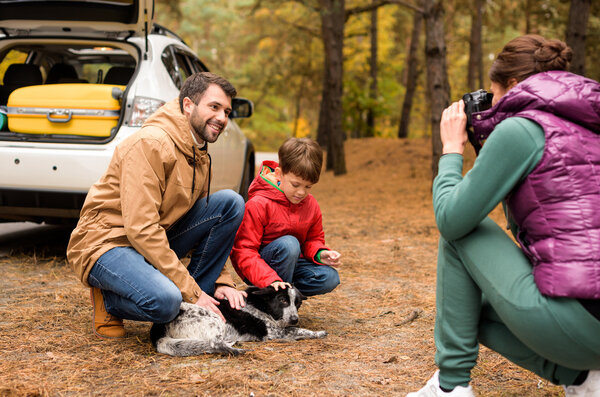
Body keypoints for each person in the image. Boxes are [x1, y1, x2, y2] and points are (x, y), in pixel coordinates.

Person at [408, 35, 600, 397]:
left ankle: (450, 387)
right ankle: (584, 380)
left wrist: (451, 150)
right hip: (590, 320)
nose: (492, 104)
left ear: (512, 86)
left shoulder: (522, 130)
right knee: (465, 310)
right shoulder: (586, 128)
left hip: (583, 321)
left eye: (494, 94)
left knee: (459, 231)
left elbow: (452, 219)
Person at [67, 72, 247, 339]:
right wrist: (191, 291)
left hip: (150, 239)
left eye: (227, 111)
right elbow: (140, 228)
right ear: (188, 105)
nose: (222, 117)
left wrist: (222, 280)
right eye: (214, 107)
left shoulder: (198, 153)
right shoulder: (151, 144)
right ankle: (109, 298)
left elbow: (203, 225)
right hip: (108, 242)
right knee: (166, 302)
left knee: (230, 203)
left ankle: (193, 299)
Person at [230, 137, 340, 296]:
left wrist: (321, 253)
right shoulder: (259, 204)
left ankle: (286, 295)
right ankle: (276, 298)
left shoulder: (310, 205)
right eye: (295, 185)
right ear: (279, 174)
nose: (302, 192)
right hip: (260, 269)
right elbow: (244, 250)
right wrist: (270, 280)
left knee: (329, 277)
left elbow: (313, 239)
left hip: (293, 264)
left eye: (308, 186)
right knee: (290, 244)